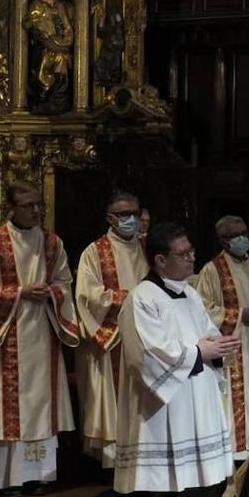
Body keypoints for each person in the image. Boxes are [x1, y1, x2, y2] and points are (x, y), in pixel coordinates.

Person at [72, 223, 240, 497]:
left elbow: (206, 333)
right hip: (162, 403)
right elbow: (148, 356)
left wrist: (220, 345)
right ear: (160, 260)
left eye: (191, 251)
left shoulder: (190, 293)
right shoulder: (142, 299)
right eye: (183, 253)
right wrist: (199, 353)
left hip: (196, 390)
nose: (192, 258)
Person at [0, 181, 79, 497]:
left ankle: (37, 475)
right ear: (11, 208)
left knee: (40, 405)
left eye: (39, 205)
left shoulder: (53, 243)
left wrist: (53, 293)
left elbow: (65, 282)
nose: (36, 211)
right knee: (4, 407)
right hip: (5, 337)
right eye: (28, 206)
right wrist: (19, 292)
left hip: (42, 334)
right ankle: (4, 479)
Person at [75, 191, 148, 469]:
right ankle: (114, 462)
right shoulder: (95, 252)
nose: (131, 219)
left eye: (135, 213)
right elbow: (88, 296)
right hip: (114, 337)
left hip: (149, 338)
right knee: (114, 403)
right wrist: (130, 298)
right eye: (124, 215)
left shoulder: (149, 247)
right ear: (110, 217)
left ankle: (146, 456)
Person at [195, 216, 249, 462]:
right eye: (236, 235)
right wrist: (237, 315)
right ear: (223, 241)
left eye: (244, 232)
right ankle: (234, 449)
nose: (243, 239)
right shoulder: (212, 269)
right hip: (232, 344)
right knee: (234, 396)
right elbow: (202, 307)